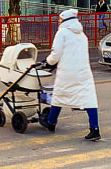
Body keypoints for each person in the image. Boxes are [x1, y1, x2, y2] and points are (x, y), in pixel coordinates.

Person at [39, 8, 101, 141]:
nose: (58, 22)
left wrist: (47, 62)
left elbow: (56, 54)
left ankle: (51, 122)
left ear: (65, 20)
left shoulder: (62, 33)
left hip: (67, 72)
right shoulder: (82, 35)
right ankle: (94, 129)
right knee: (89, 99)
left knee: (59, 96)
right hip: (83, 72)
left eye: (60, 19)